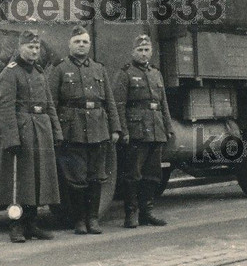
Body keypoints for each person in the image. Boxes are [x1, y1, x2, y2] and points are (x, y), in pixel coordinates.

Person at [47, 25, 122, 234]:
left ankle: (93, 219)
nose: (81, 45)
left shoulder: (99, 69)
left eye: (85, 42)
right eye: (77, 42)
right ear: (69, 45)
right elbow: (51, 103)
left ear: (89, 45)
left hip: (98, 128)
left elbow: (110, 101)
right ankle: (79, 220)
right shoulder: (60, 69)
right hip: (73, 129)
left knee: (96, 176)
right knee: (76, 177)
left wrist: (115, 128)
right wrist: (56, 131)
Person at [0, 30, 63, 243]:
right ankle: (16, 225)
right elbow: (4, 108)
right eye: (29, 47)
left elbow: (49, 104)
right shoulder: (10, 73)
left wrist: (56, 131)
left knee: (37, 178)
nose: (34, 51)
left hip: (41, 130)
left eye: (36, 48)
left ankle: (32, 224)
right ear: (20, 48)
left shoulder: (40, 72)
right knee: (19, 180)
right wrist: (12, 139)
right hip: (22, 131)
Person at [113, 34, 175, 228]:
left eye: (146, 50)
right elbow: (119, 105)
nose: (143, 53)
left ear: (151, 51)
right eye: (139, 50)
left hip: (155, 128)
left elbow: (163, 102)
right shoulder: (125, 74)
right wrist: (123, 130)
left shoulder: (156, 73)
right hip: (136, 130)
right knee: (133, 175)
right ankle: (131, 214)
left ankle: (146, 213)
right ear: (133, 52)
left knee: (153, 174)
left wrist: (168, 127)